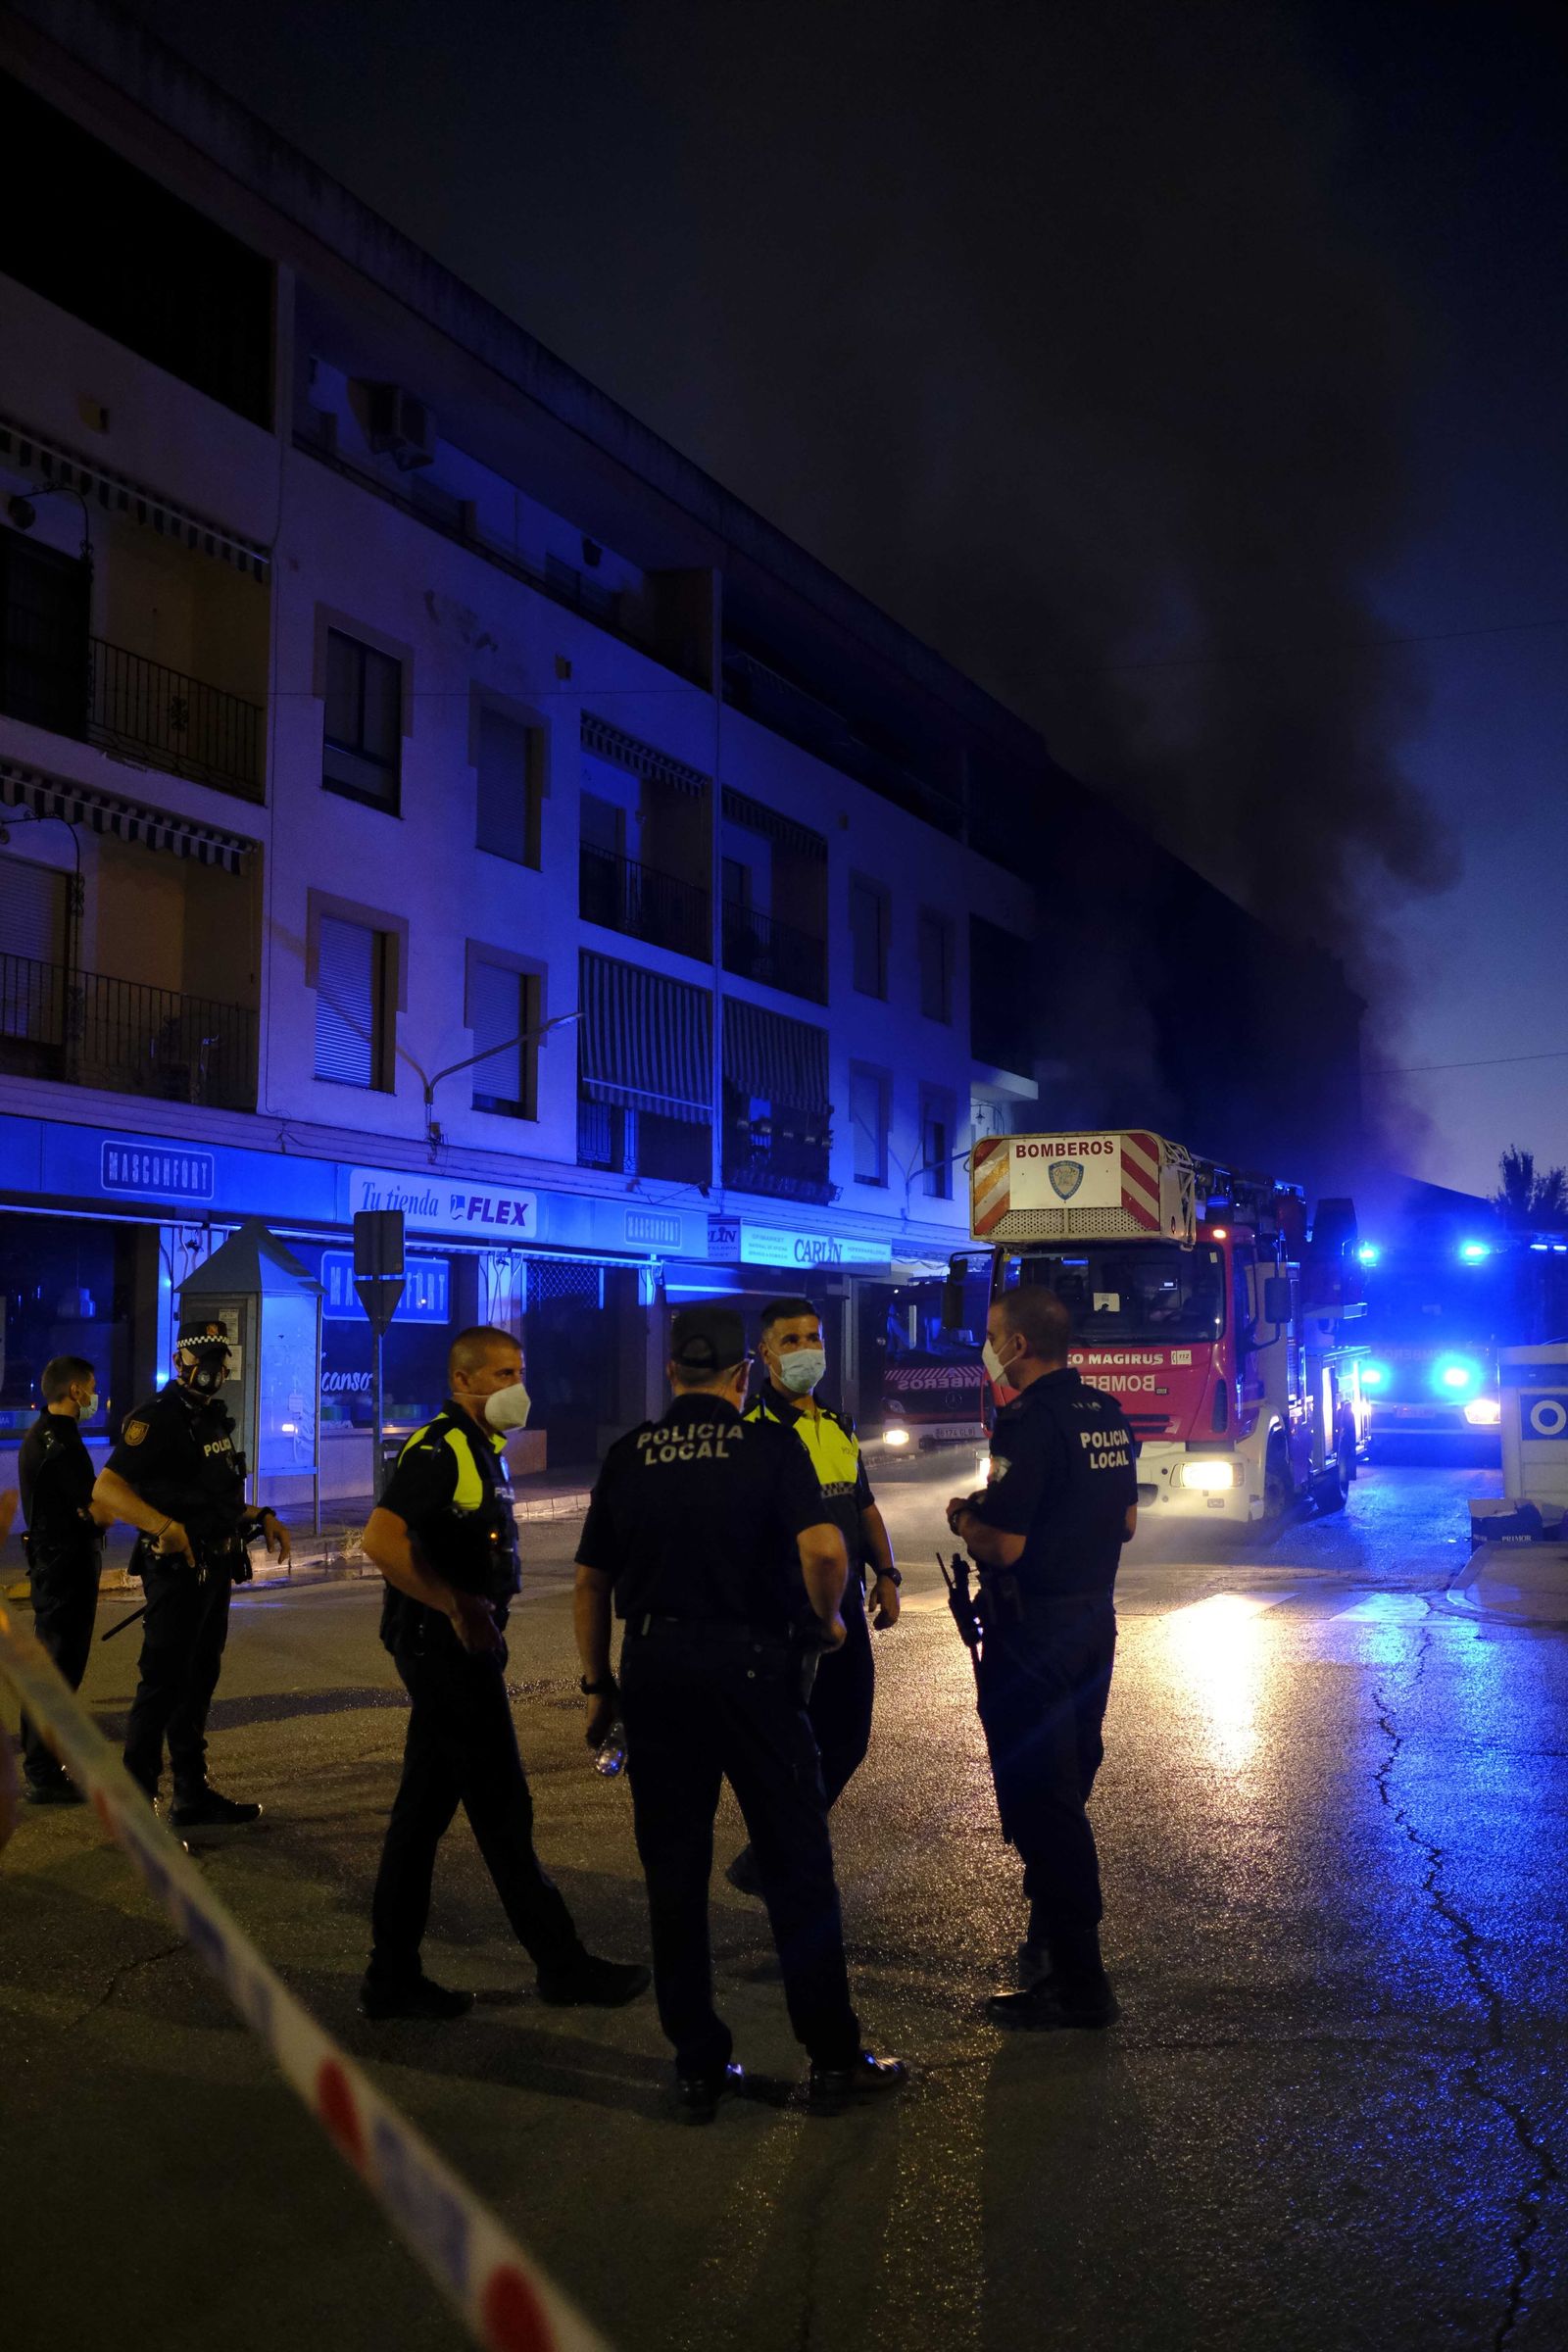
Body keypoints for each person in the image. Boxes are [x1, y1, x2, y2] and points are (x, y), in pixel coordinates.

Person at [574, 1301, 906, 2123]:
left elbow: (591, 1583)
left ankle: (697, 2065)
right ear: (743, 1373)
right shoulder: (768, 1446)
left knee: (675, 1873)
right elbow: (824, 1550)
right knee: (798, 1865)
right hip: (755, 1672)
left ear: (671, 1370)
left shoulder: (630, 1454)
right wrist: (828, 1624)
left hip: (655, 1672)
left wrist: (599, 1686)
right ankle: (832, 2058)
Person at [361, 1324, 649, 2023]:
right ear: (461, 1381)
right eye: (501, 1375)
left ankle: (391, 1977)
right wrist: (457, 1606)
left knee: (420, 1817)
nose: (516, 1387)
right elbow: (380, 1540)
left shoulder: (481, 1449)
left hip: (459, 1651)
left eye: (519, 1373)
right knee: (502, 1813)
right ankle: (562, 1965)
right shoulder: (442, 1449)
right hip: (447, 1655)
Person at [946, 1286, 1137, 2031]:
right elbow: (1125, 1521)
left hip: (1034, 1636)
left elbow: (1004, 1544)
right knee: (1068, 1783)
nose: (988, 1347)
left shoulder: (1026, 1420)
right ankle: (1049, 1943)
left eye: (993, 1335)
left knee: (1042, 1802)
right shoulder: (1105, 1411)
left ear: (1018, 1345)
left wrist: (966, 1518)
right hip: (1093, 1624)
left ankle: (1080, 1982)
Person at [725, 1297, 901, 1898]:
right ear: (765, 1353)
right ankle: (788, 1862)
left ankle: (776, 1847)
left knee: (849, 1735)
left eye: (814, 1338)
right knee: (789, 1747)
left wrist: (887, 1573)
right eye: (792, 1340)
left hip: (844, 1607)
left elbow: (863, 1505)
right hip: (786, 1616)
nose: (807, 1350)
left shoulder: (837, 1425)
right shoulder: (752, 1434)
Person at [94, 1319, 290, 1826]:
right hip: (177, 1569)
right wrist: (163, 1526)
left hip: (215, 1566)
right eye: (203, 1359)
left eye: (220, 1360)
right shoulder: (157, 1417)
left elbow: (210, 1497)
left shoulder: (208, 1418)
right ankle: (136, 1809)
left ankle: (190, 1793)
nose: (212, 1370)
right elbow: (107, 1489)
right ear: (180, 1361)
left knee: (198, 1680)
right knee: (162, 1683)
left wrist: (261, 1516)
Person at [18, 1356, 111, 1804]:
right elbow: (94, 1509)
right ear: (75, 1390)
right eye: (91, 1386)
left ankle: (45, 1765)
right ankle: (43, 1772)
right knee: (58, 1671)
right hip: (64, 1569)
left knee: (57, 1668)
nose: (95, 1396)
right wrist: (108, 1511)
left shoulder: (49, 1434)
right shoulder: (59, 1443)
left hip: (58, 1565)